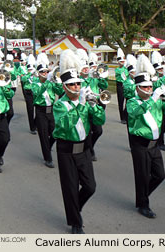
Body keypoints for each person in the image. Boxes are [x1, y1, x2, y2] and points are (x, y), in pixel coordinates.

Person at [53, 49, 105, 234]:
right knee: (70, 187)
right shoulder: (60, 105)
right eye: (72, 84)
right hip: (66, 150)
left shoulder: (85, 101)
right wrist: (81, 104)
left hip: (83, 149)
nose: (76, 87)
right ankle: (76, 222)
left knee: (90, 186)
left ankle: (76, 207)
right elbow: (65, 125)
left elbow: (99, 122)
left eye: (78, 84)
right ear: (65, 87)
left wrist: (96, 106)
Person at [127, 54, 165, 218]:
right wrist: (153, 98)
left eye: (150, 87)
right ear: (138, 88)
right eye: (146, 87)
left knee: (160, 175)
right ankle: (143, 204)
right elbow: (135, 113)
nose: (149, 89)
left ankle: (141, 197)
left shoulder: (156, 100)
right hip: (140, 143)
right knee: (142, 176)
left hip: (154, 145)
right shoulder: (132, 101)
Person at [31, 53, 64, 168]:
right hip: (40, 111)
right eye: (42, 72)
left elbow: (59, 93)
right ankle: (47, 158)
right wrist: (46, 82)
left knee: (55, 133)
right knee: (44, 135)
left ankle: (48, 147)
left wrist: (58, 83)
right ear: (38, 73)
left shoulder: (50, 83)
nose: (45, 74)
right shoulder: (34, 84)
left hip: (51, 111)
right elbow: (37, 93)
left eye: (46, 72)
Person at [77, 49, 108, 161]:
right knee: (88, 131)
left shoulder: (93, 77)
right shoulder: (77, 81)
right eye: (83, 68)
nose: (86, 69)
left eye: (87, 67)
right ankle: (90, 150)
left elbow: (104, 85)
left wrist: (101, 76)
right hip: (84, 108)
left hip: (94, 105)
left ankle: (90, 147)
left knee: (98, 131)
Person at [21, 54, 38, 134]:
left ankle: (36, 124)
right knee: (30, 110)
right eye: (29, 69)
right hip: (28, 93)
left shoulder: (36, 76)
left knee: (38, 110)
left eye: (32, 69)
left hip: (36, 93)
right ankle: (32, 128)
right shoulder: (26, 75)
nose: (30, 70)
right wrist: (29, 74)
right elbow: (23, 79)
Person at [115, 48, 128, 124]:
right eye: (121, 62)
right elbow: (121, 74)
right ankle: (122, 118)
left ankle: (125, 114)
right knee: (120, 102)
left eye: (123, 61)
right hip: (120, 85)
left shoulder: (126, 68)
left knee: (128, 101)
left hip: (126, 85)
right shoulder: (117, 69)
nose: (122, 63)